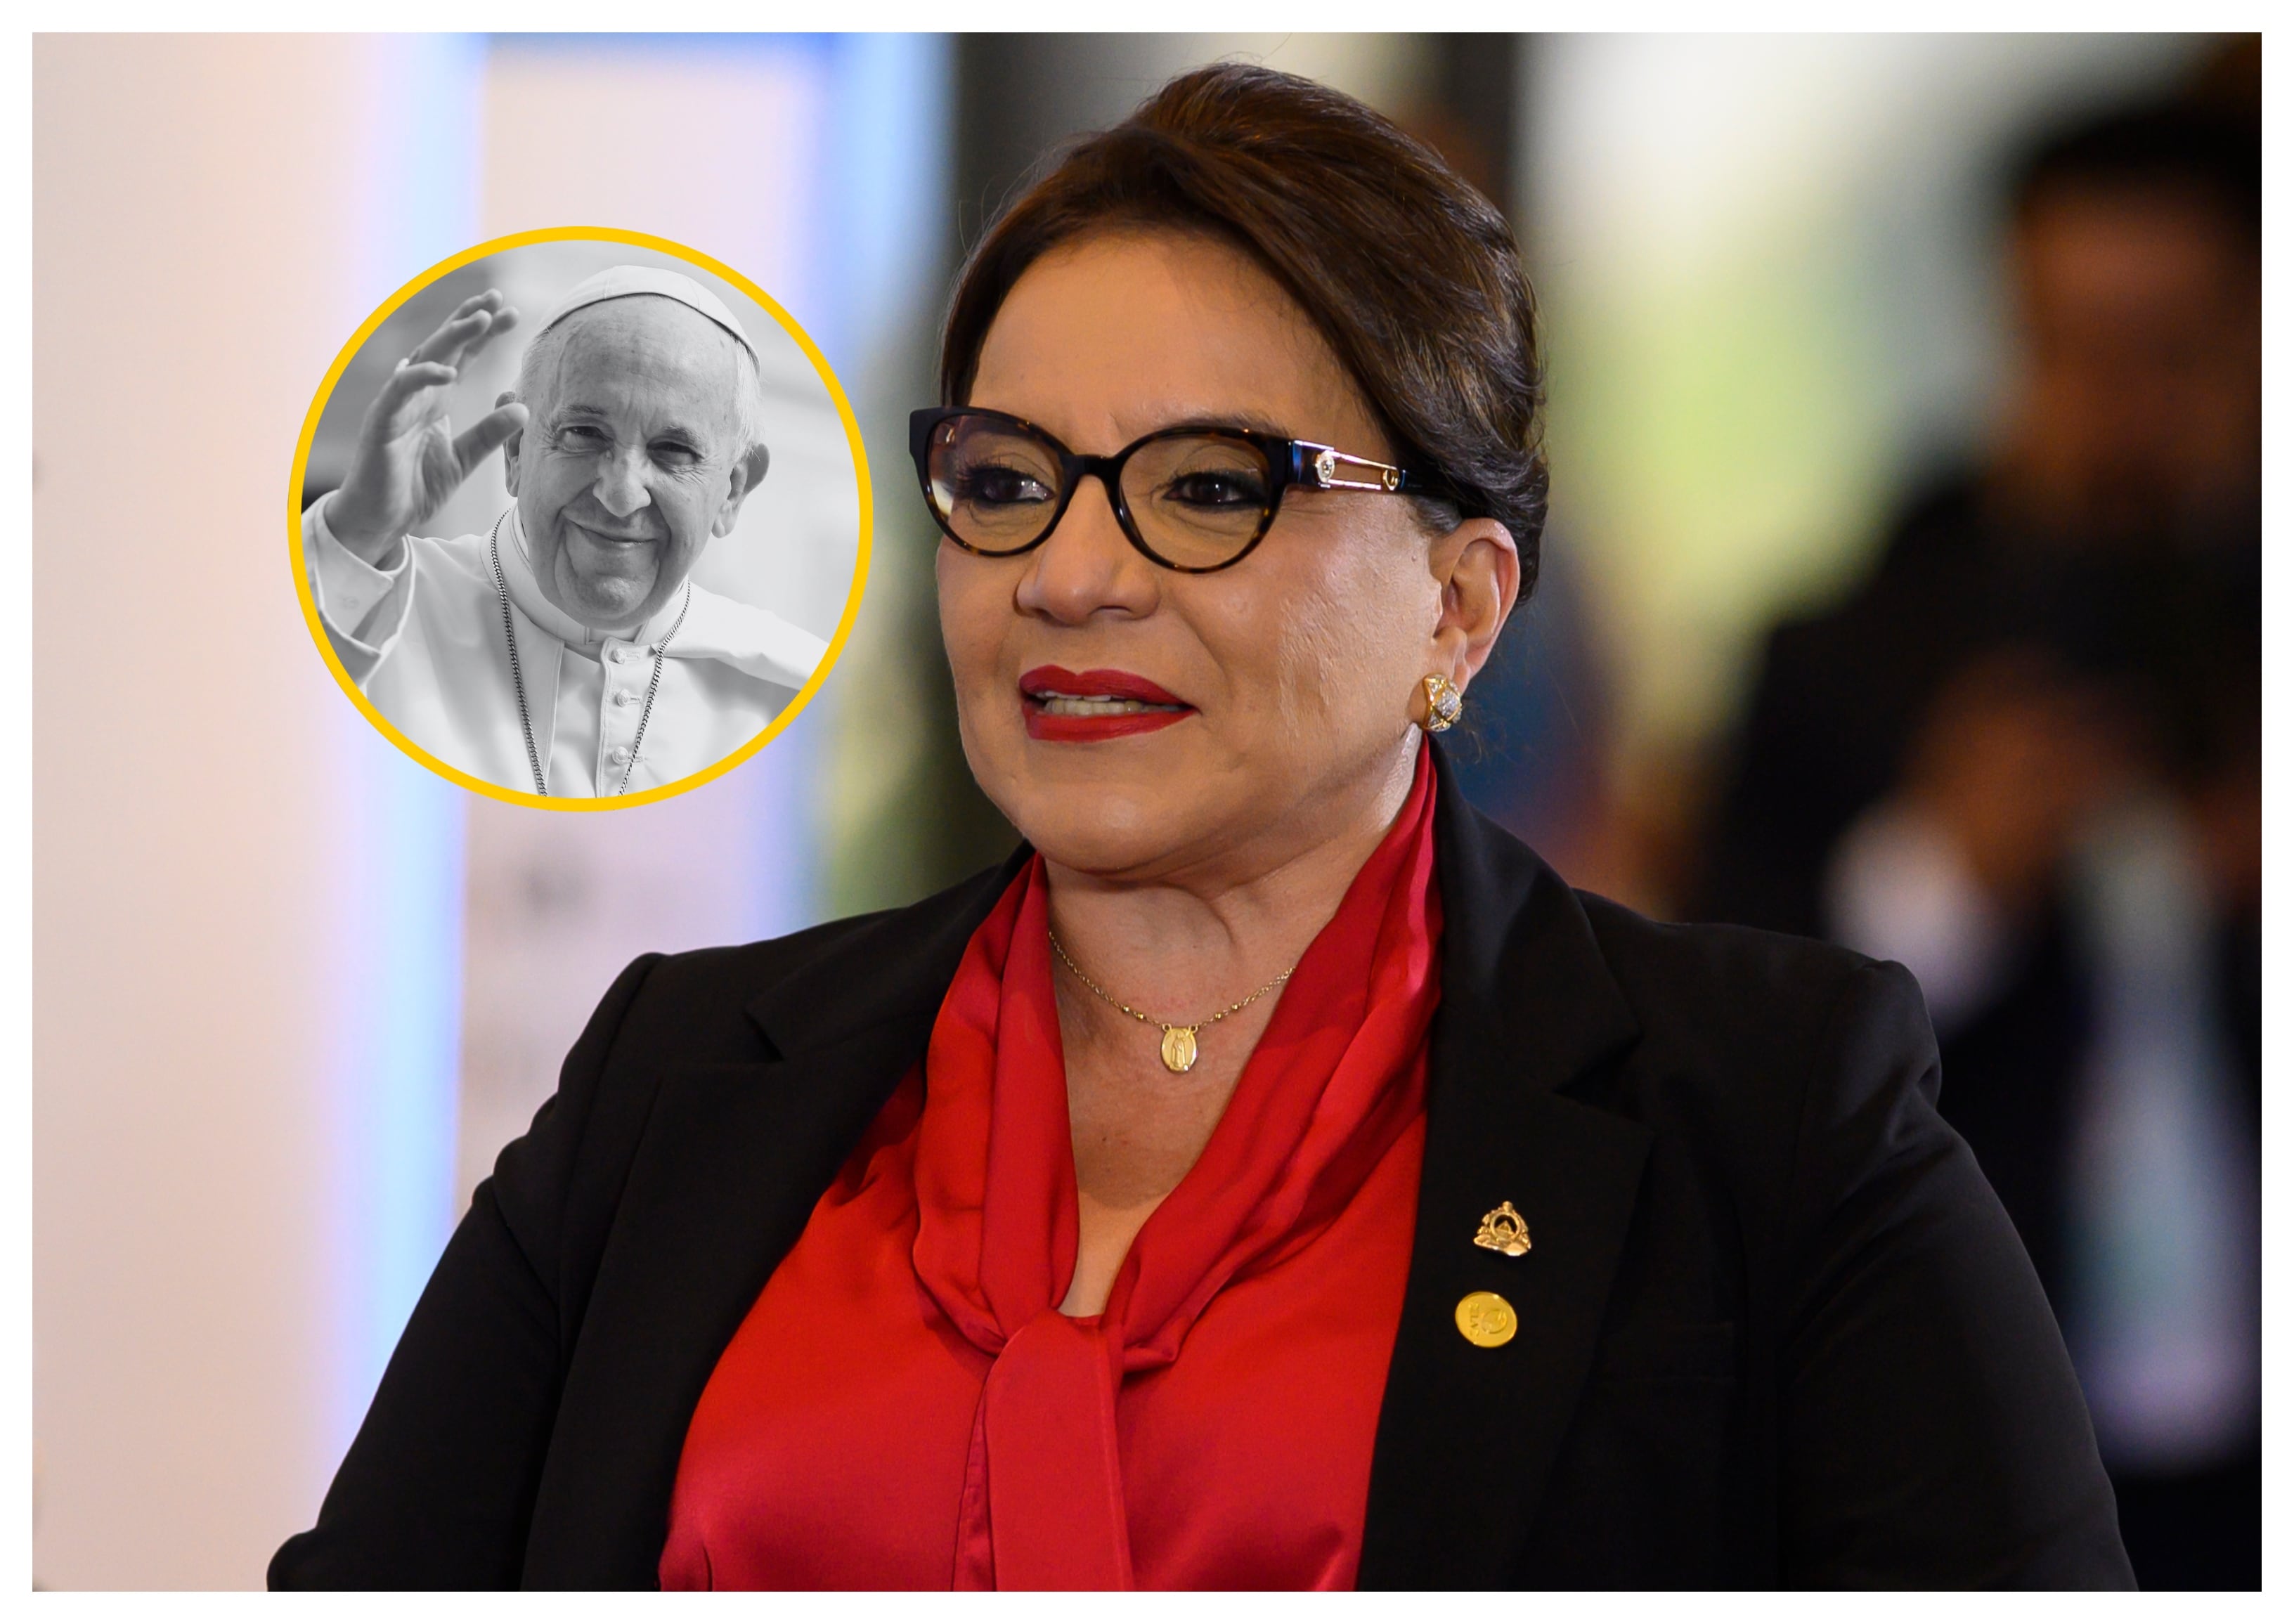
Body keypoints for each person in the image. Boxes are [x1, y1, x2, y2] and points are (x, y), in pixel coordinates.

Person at [271, 67, 2131, 1590]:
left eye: (1209, 488)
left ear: (1460, 607)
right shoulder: (683, 1076)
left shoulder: (1767, 1116)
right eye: (1007, 479)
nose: (1070, 573)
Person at [1692, 93, 2259, 1589]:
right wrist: (1940, 873)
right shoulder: (1846, 653)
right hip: (1965, 1434)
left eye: (2171, 352)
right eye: (2072, 350)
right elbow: (1706, 1043)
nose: (2119, 409)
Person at [304, 265, 830, 798]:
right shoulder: (367, 613)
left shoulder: (796, 693)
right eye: (584, 433)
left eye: (673, 450)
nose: (621, 494)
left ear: (733, 490)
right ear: (516, 450)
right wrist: (359, 530)